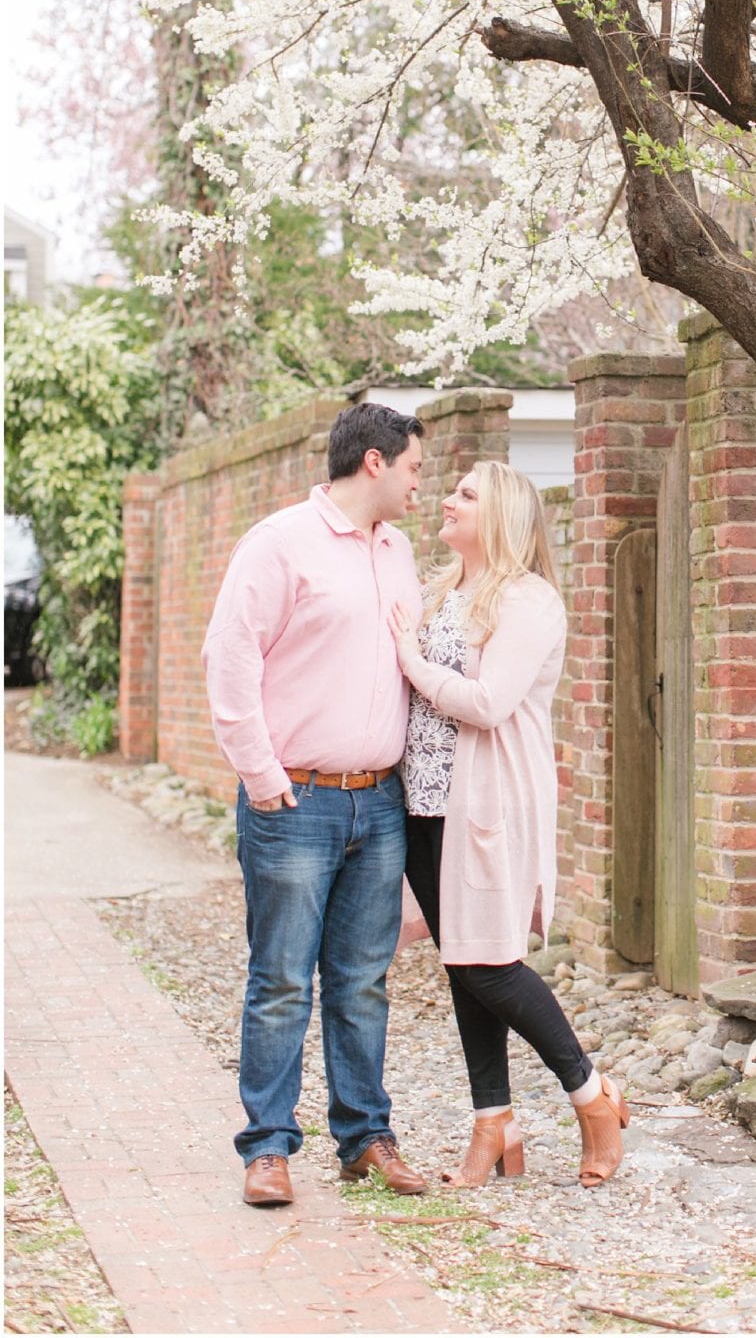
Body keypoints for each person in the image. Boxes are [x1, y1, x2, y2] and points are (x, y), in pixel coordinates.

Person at [203, 403, 429, 1207]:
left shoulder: (398, 551)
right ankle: (267, 1149)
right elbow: (228, 660)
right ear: (373, 462)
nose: (418, 483)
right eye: (412, 467)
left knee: (363, 981)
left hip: (379, 805)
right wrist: (262, 775)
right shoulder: (278, 544)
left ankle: (365, 1137)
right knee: (280, 981)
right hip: (294, 800)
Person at [388, 460, 629, 1190]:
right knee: (462, 965)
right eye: (452, 489)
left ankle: (591, 1095)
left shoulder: (529, 601)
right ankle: (494, 1122)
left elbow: (489, 703)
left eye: (467, 494)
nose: (448, 500)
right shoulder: (438, 593)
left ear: (502, 518)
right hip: (425, 804)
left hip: (487, 802)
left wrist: (407, 659)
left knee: (485, 962)